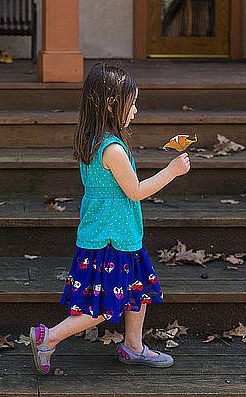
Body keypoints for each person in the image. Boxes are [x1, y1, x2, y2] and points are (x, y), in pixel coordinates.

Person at [29, 62, 190, 374]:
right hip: (112, 241)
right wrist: (172, 171)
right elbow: (136, 191)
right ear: (112, 104)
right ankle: (48, 338)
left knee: (138, 290)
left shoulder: (92, 140)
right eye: (131, 104)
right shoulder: (112, 149)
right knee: (104, 306)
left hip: (112, 235)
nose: (135, 111)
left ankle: (133, 346)